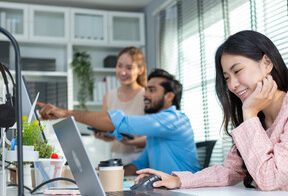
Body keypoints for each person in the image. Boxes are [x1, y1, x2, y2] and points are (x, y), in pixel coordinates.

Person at [135, 30, 288, 196]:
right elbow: (231, 171)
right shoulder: (256, 117)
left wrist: (250, 114)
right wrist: (178, 180)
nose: (233, 85)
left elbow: (270, 178)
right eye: (227, 77)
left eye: (237, 71)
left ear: (266, 64)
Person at [37, 68, 201, 175]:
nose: (145, 95)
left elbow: (119, 122)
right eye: (146, 90)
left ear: (170, 96)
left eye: (152, 90)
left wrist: (65, 113)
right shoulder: (156, 134)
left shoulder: (175, 119)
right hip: (170, 193)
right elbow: (138, 166)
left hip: (186, 193)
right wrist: (101, 174)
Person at [95, 46, 147, 165]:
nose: (122, 72)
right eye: (119, 66)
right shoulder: (108, 96)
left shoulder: (147, 96)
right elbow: (111, 134)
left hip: (142, 157)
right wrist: (103, 135)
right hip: (117, 158)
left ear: (140, 70)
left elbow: (155, 138)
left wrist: (131, 142)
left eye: (129, 67)